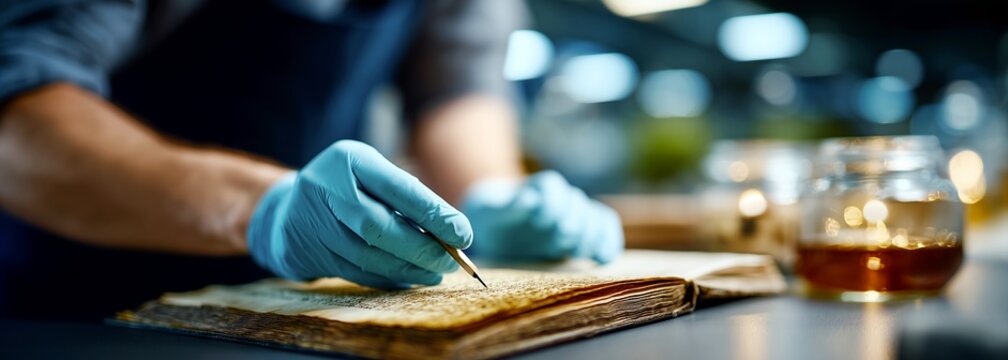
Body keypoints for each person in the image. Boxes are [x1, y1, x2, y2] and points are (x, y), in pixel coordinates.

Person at [0, 0, 623, 319]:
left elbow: (455, 86)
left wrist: (489, 196)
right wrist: (262, 208)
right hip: (77, 304)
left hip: (304, 309)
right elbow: (17, 113)